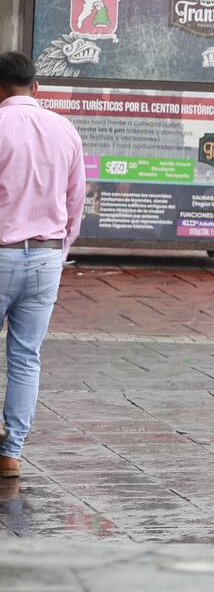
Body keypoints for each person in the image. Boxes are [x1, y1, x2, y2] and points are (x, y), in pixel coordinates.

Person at [0, 51, 85, 478]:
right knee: (26, 357)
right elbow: (76, 201)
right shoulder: (65, 128)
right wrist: (60, 250)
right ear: (36, 88)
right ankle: (11, 451)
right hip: (47, 257)